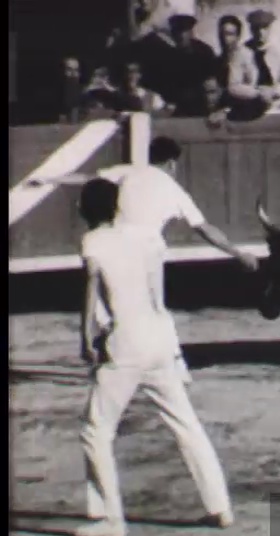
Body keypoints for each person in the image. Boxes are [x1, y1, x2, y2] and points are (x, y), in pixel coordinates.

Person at [74, 178, 233, 536]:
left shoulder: (93, 241)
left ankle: (110, 519)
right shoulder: (145, 237)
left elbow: (92, 289)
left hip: (126, 342)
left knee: (95, 429)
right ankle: (219, 506)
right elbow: (154, 291)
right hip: (160, 338)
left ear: (85, 209)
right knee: (186, 424)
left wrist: (85, 338)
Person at [29, 137, 259, 381]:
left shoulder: (128, 172)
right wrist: (237, 252)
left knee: (105, 296)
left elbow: (87, 179)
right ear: (172, 163)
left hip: (116, 243)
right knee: (154, 308)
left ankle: (108, 345)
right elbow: (205, 229)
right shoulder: (173, 189)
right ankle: (173, 365)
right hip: (149, 251)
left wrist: (50, 179)